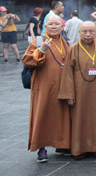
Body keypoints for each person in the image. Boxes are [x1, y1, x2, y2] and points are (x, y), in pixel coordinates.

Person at [22, 15, 70, 162]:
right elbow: (27, 60)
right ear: (45, 26)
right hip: (43, 85)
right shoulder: (39, 41)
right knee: (42, 114)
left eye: (57, 24)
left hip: (61, 85)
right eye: (51, 24)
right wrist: (41, 50)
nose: (54, 26)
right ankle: (41, 148)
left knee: (62, 115)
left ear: (62, 27)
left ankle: (61, 144)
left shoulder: (65, 42)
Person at [58, 21, 96, 159]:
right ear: (79, 33)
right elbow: (67, 73)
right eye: (84, 31)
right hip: (80, 91)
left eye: (91, 31)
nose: (88, 34)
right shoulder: (73, 48)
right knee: (80, 120)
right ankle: (80, 149)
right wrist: (69, 95)